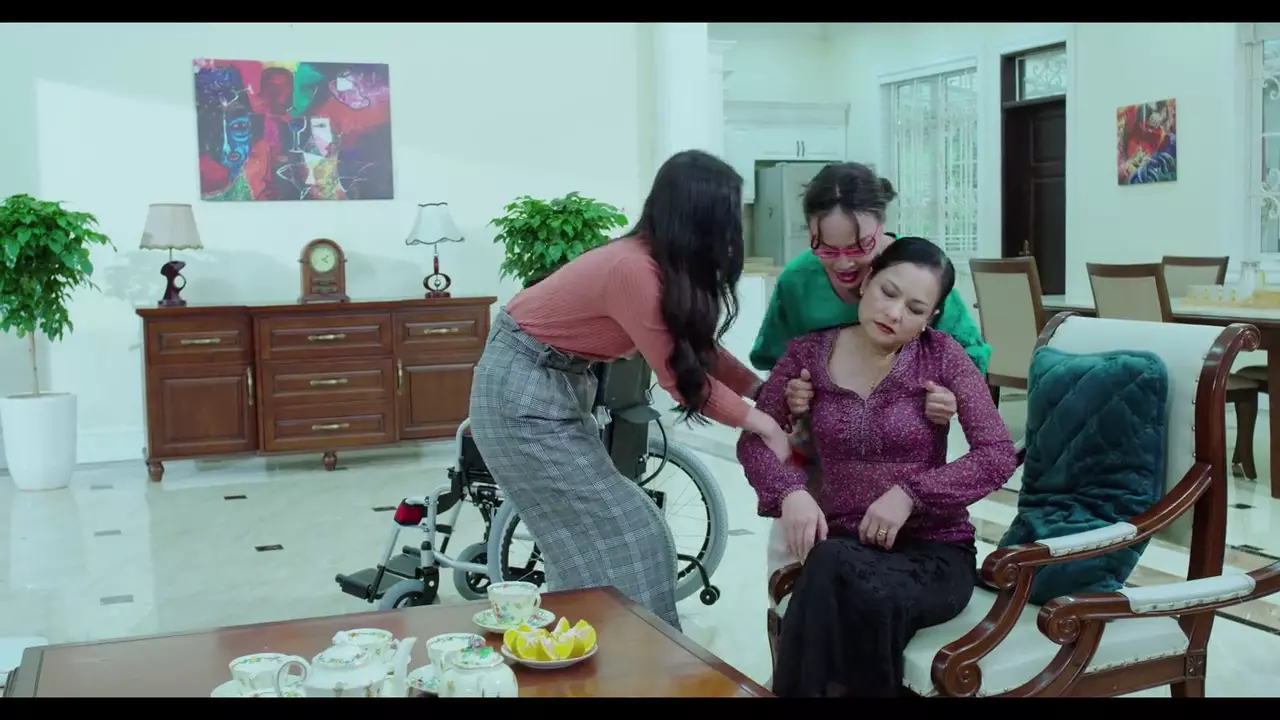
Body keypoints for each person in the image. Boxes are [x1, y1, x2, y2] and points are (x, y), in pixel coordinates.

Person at [468, 150, 788, 632]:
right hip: (521, 390)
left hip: (553, 383)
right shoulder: (633, 270)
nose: (731, 233)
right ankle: (645, 656)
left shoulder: (656, 265)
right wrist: (763, 424)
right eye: (726, 216)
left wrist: (760, 390)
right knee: (630, 534)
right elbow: (683, 379)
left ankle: (591, 653)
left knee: (589, 543)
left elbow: (698, 349)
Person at [738, 236, 1018, 697]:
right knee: (836, 568)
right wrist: (791, 491)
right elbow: (755, 439)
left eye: (915, 308)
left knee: (841, 579)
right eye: (889, 292)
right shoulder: (808, 354)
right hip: (844, 546)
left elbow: (996, 454)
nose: (894, 313)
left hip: (933, 553)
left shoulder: (942, 356)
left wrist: (911, 494)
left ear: (930, 317)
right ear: (868, 281)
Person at [752, 162, 993, 576]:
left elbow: (968, 356)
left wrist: (947, 394)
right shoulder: (797, 282)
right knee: (794, 556)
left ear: (881, 226)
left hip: (902, 454)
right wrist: (793, 391)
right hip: (818, 446)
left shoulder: (914, 273)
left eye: (859, 247)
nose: (844, 264)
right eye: (827, 249)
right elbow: (774, 362)